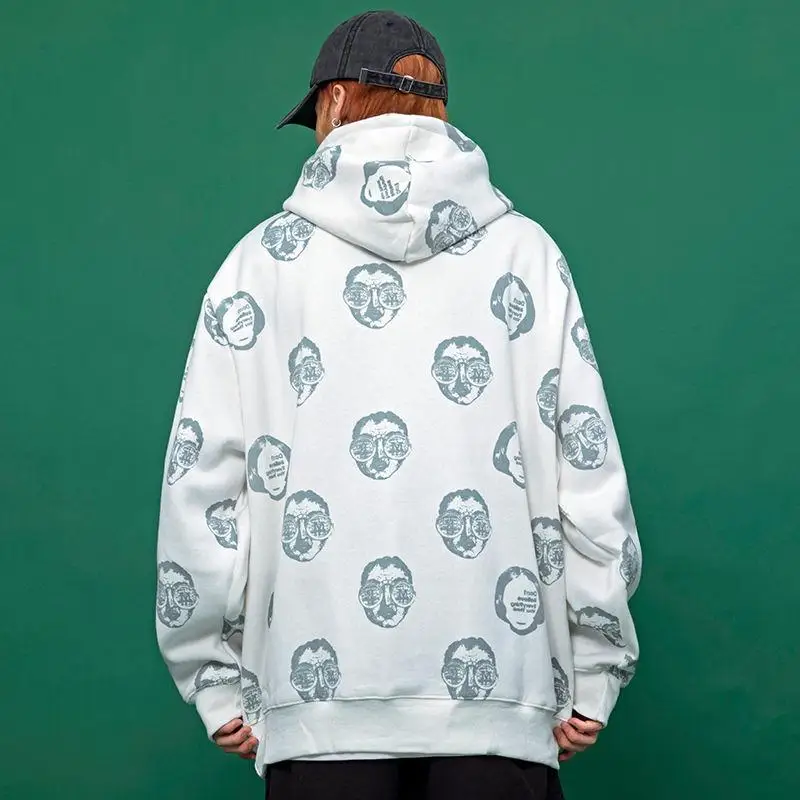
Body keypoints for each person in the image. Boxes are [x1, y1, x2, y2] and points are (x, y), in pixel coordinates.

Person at [155, 10, 642, 800]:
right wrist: (594, 663)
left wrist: (210, 674)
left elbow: (203, 482)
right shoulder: (529, 257)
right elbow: (585, 469)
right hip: (501, 700)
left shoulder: (260, 266)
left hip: (318, 710)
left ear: (335, 102)